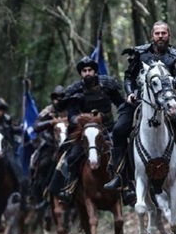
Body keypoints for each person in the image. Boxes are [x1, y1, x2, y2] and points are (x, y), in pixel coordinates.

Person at [104, 21, 176, 199]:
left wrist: (172, 82)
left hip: (167, 99)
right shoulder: (140, 54)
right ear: (152, 35)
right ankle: (119, 174)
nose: (160, 36)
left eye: (164, 33)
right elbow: (129, 77)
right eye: (157, 33)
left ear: (168, 35)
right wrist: (130, 92)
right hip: (140, 100)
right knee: (118, 130)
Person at [49, 56, 125, 204]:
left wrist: (121, 119)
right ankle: (70, 187)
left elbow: (120, 104)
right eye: (84, 71)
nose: (87, 73)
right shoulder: (75, 90)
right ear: (81, 73)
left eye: (90, 70)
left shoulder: (108, 85)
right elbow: (71, 115)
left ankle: (128, 186)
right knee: (71, 156)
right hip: (85, 132)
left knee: (123, 150)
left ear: (95, 71)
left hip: (107, 128)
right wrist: (82, 119)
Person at [29, 85, 67, 196]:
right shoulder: (48, 110)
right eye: (56, 97)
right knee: (40, 162)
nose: (58, 100)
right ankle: (38, 191)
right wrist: (50, 122)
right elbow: (36, 126)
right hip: (51, 144)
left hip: (69, 142)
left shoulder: (71, 109)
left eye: (61, 97)